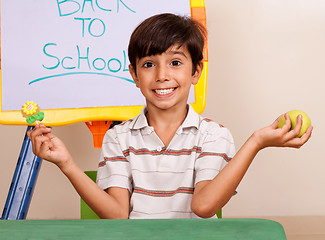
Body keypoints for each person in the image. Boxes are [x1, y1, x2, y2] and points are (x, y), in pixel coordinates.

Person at [27, 13, 313, 219]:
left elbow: (203, 207)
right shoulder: (118, 137)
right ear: (134, 75)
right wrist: (66, 164)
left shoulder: (213, 135)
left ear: (196, 72)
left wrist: (255, 142)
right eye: (149, 64)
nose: (162, 76)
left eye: (175, 62)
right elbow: (116, 215)